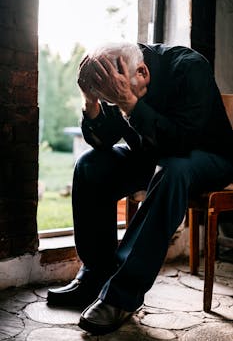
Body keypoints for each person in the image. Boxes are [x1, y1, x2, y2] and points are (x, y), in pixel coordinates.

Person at [47, 42, 233, 335]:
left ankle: (121, 294)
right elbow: (102, 140)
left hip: (208, 156)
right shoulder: (117, 73)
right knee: (90, 165)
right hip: (154, 155)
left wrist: (130, 105)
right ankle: (95, 275)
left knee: (173, 170)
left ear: (143, 72)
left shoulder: (189, 67)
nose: (113, 102)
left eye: (113, 98)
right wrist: (91, 103)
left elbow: (180, 144)